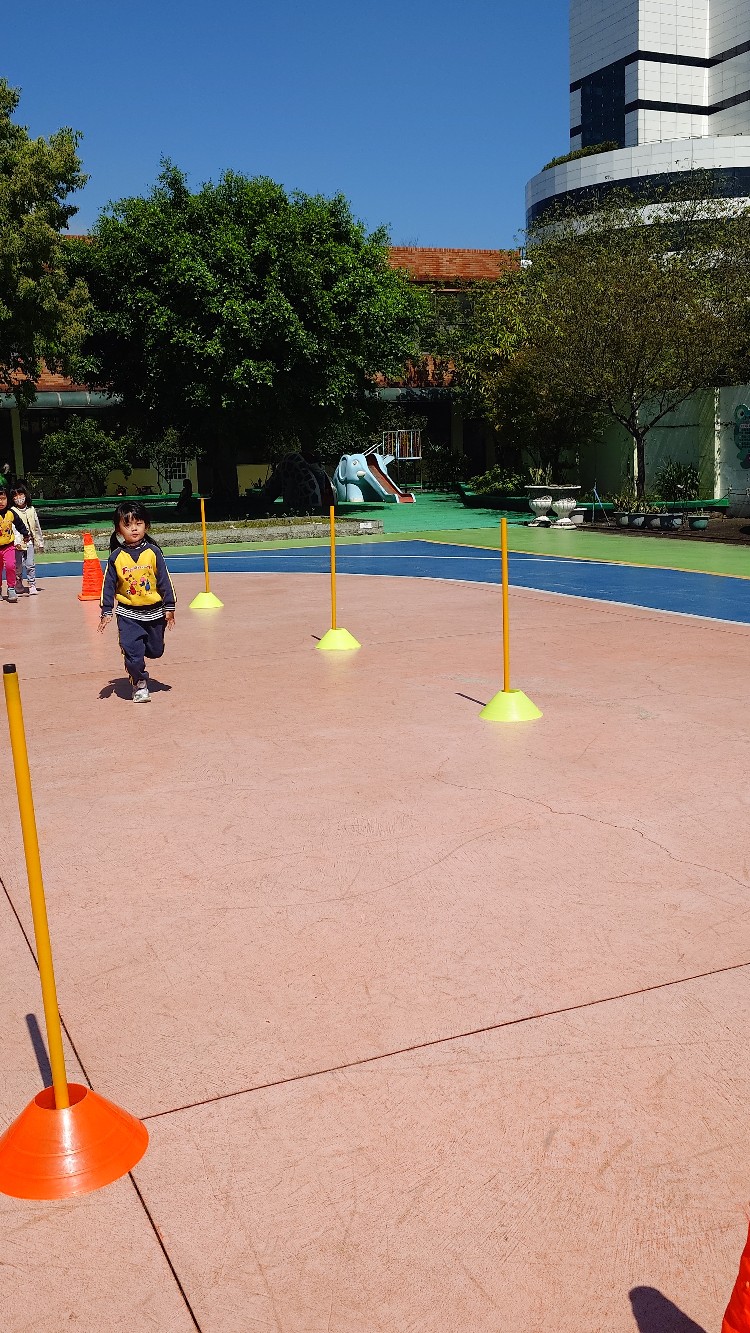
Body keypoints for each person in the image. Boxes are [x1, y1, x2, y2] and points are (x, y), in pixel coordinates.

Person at [98, 500, 176, 703]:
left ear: (146, 526)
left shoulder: (153, 552)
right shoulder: (116, 557)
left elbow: (164, 580)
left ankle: (145, 649)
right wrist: (106, 610)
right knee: (133, 653)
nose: (134, 528)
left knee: (155, 651)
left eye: (138, 523)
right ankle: (139, 682)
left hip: (154, 612)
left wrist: (169, 606)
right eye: (128, 524)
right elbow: (108, 585)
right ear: (118, 530)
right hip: (128, 614)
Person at [11, 481, 44, 596]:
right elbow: (13, 528)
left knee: (30, 564)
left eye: (20, 494)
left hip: (29, 541)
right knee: (18, 565)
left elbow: (37, 526)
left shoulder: (31, 509)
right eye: (15, 496)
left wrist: (39, 541)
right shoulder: (12, 511)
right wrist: (16, 541)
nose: (18, 498)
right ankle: (18, 583)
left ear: (25, 495)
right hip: (17, 543)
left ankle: (32, 584)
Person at [0, 487, 29, 602]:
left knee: (11, 566)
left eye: (3, 498)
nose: (1, 501)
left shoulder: (11, 513)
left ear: (7, 499)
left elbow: (20, 524)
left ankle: (11, 588)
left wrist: (25, 534)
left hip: (8, 546)